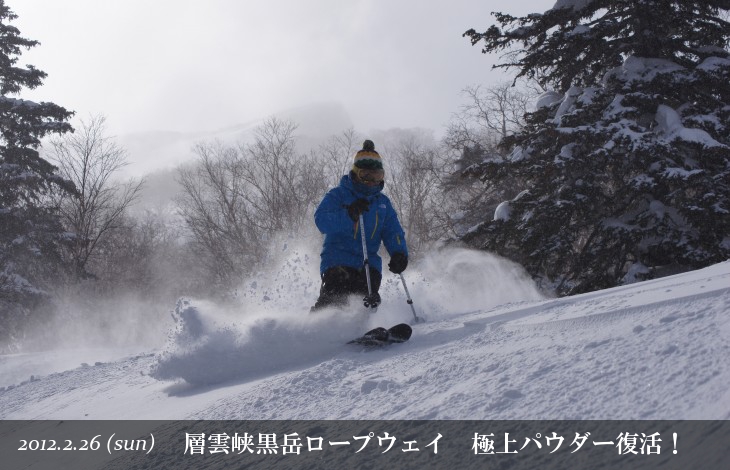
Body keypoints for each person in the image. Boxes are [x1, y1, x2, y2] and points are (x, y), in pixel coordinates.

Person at [311, 139, 408, 311]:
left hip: (369, 264)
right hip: (337, 260)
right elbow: (321, 221)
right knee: (335, 300)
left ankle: (360, 329)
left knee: (366, 299)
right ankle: (318, 329)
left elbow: (393, 231)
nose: (372, 182)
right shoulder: (338, 195)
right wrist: (349, 215)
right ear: (356, 173)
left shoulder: (382, 203)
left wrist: (399, 253)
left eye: (377, 176)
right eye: (366, 176)